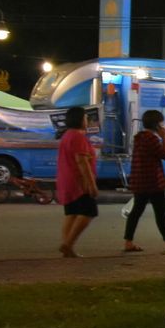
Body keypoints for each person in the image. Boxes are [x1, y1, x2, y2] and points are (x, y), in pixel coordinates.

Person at [123, 109, 165, 254]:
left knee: (136, 212)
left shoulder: (139, 138)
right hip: (153, 182)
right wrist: (164, 137)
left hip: (140, 181)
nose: (162, 125)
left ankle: (128, 242)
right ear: (156, 124)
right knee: (160, 213)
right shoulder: (151, 139)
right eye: (160, 123)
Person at [56, 106, 99, 257]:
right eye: (86, 118)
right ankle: (68, 244)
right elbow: (82, 162)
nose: (87, 121)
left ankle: (67, 247)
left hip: (67, 180)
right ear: (80, 119)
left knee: (72, 213)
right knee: (89, 212)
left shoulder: (67, 135)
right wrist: (91, 184)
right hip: (78, 182)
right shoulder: (78, 137)